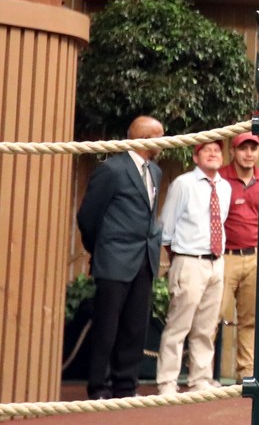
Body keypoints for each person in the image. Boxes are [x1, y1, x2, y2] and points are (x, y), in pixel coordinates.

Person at [75, 116, 165, 399]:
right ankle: (98, 386)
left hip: (144, 260)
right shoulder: (112, 170)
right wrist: (100, 249)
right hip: (114, 259)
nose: (164, 141)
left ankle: (126, 385)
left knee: (136, 326)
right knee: (106, 326)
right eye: (160, 136)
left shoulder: (156, 172)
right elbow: (88, 217)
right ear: (145, 138)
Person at [156, 140, 231, 395]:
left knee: (207, 326)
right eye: (206, 150)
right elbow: (166, 227)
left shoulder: (225, 187)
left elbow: (221, 221)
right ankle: (167, 381)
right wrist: (178, 258)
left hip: (216, 262)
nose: (213, 153)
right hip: (188, 260)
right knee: (179, 324)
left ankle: (200, 378)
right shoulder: (183, 184)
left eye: (217, 150)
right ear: (196, 157)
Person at [218, 131, 259, 380]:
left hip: (255, 258)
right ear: (233, 152)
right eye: (243, 148)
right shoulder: (220, 178)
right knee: (213, 316)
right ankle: (202, 375)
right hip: (225, 257)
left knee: (250, 320)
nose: (249, 154)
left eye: (253, 148)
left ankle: (245, 372)